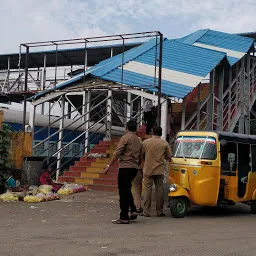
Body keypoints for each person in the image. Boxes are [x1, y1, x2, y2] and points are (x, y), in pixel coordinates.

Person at [103, 119, 143, 224]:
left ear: (126, 128)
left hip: (125, 167)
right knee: (127, 190)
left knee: (123, 192)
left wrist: (108, 165)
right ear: (136, 129)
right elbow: (141, 155)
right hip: (134, 168)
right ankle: (133, 209)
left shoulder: (125, 138)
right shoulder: (139, 140)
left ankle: (124, 216)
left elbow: (117, 152)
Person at [142, 126, 171, 217]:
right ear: (161, 133)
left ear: (152, 132)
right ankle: (159, 211)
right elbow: (169, 157)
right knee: (160, 190)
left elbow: (141, 155)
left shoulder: (145, 142)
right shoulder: (165, 143)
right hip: (159, 170)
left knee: (147, 190)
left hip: (148, 169)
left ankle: (146, 212)